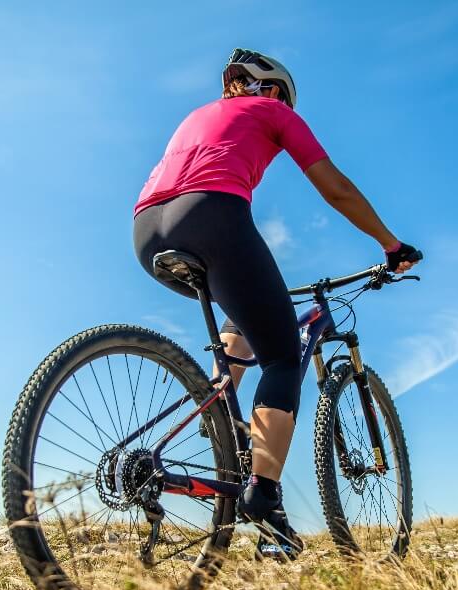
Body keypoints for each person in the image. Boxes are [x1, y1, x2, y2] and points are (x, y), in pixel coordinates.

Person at [133, 48, 422, 560]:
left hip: (146, 228)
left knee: (245, 315)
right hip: (209, 214)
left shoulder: (200, 114)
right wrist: (389, 244)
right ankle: (263, 496)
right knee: (285, 354)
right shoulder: (275, 111)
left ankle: (222, 411)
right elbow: (335, 187)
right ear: (275, 92)